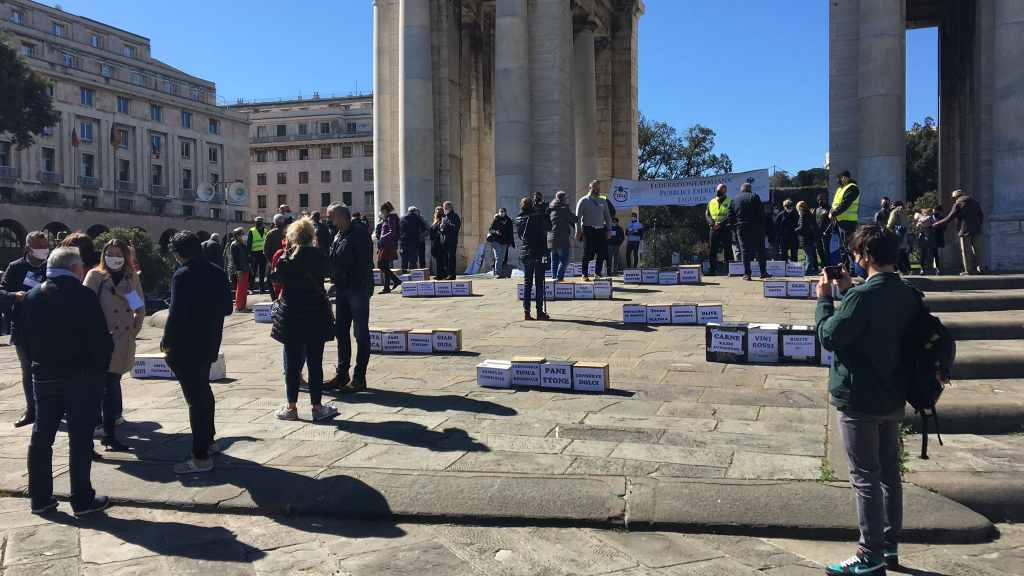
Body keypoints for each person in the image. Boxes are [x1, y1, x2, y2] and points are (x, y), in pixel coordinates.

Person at [815, 225, 919, 576]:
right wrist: (849, 290)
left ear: (867, 256)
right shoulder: (907, 293)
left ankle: (868, 554)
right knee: (890, 473)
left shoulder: (862, 298)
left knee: (865, 476)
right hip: (893, 395)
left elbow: (830, 336)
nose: (855, 259)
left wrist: (824, 300)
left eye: (857, 254)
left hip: (859, 397)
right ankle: (888, 545)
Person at [21, 247, 113, 517]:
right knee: (80, 438)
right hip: (81, 377)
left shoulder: (32, 295)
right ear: (75, 268)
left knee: (42, 436)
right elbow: (100, 339)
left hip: (44, 376)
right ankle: (82, 499)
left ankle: (40, 497)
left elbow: (23, 338)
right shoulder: (83, 295)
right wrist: (100, 371)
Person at [161, 231, 233, 474]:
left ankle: (200, 455)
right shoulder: (217, 272)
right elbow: (228, 308)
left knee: (195, 399)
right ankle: (209, 441)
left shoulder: (182, 275)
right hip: (209, 341)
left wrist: (167, 341)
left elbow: (175, 313)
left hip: (186, 345)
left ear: (178, 253)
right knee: (204, 392)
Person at [270, 219, 339, 422]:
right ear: (312, 236)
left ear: (292, 237)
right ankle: (317, 407)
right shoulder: (319, 256)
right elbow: (330, 272)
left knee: (292, 364)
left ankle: (291, 407)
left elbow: (275, 278)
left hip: (292, 315)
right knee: (315, 363)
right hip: (315, 314)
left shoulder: (286, 259)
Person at [83, 239, 143, 453]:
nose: (113, 258)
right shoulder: (95, 276)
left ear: (125, 257)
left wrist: (134, 330)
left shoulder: (130, 277)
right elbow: (84, 305)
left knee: (111, 388)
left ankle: (109, 434)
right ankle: (89, 439)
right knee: (96, 391)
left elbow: (138, 307)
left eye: (118, 254)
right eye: (110, 253)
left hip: (122, 340)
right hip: (100, 340)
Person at [1, 231, 49, 428]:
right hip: (23, 327)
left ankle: (51, 407)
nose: (44, 250)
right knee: (28, 370)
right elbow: (2, 292)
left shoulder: (50, 266)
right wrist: (15, 295)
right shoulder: (16, 267)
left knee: (50, 368)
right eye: (39, 247)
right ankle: (32, 410)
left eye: (45, 246)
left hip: (48, 326)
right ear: (28, 248)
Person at [325, 204, 373, 392]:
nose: (329, 220)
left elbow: (363, 263)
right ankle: (342, 374)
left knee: (360, 334)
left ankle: (359, 378)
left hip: (357, 289)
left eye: (331, 217)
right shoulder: (338, 234)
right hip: (343, 289)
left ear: (340, 216)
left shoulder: (359, 233)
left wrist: (352, 282)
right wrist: (336, 282)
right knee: (341, 331)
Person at [934, 189, 984, 275]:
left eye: (953, 198)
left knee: (966, 251)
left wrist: (937, 224)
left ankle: (968, 270)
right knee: (978, 250)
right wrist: (978, 225)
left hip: (964, 230)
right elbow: (981, 216)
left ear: (955, 197)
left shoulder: (958, 204)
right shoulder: (975, 202)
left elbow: (949, 218)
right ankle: (981, 268)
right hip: (976, 229)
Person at [516, 197, 550, 321]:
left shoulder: (519, 218)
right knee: (539, 283)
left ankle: (526, 312)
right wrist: (544, 212)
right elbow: (548, 228)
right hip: (538, 253)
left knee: (527, 284)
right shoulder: (538, 217)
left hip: (526, 254)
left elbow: (521, 236)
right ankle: (539, 312)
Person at [728, 182, 770, 281]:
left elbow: (730, 216)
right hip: (756, 227)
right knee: (760, 250)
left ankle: (747, 274)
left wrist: (734, 228)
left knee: (745, 250)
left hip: (741, 227)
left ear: (741, 189)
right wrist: (763, 227)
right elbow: (761, 213)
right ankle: (763, 272)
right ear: (750, 189)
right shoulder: (754, 196)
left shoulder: (734, 199)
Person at [575, 180, 613, 280]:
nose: (597, 189)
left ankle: (597, 273)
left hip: (600, 230)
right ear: (590, 188)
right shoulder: (583, 200)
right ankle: (584, 274)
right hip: (588, 229)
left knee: (602, 252)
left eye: (598, 187)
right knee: (587, 252)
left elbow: (608, 217)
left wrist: (609, 230)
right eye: (595, 187)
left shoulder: (603, 201)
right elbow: (577, 218)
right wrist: (578, 231)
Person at [828, 170, 861, 268]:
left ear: (845, 178)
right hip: (839, 221)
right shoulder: (840, 189)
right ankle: (846, 268)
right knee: (843, 247)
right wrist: (831, 211)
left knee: (849, 246)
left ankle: (853, 269)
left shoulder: (852, 188)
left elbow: (845, 203)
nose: (838, 180)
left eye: (840, 178)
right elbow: (835, 204)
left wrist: (833, 213)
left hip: (848, 221)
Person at [705, 184, 734, 276]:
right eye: (717, 189)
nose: (718, 191)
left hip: (725, 228)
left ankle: (730, 270)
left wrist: (721, 224)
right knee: (712, 250)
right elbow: (707, 214)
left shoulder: (730, 201)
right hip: (713, 228)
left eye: (721, 190)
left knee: (728, 249)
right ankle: (712, 270)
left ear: (725, 190)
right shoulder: (711, 201)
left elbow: (731, 215)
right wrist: (712, 224)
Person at [547, 191, 576, 281]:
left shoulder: (551, 208)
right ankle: (559, 278)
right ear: (563, 199)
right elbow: (574, 219)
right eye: (566, 198)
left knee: (554, 261)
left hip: (551, 239)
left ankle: (554, 279)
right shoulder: (564, 209)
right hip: (562, 239)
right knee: (564, 260)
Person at [375, 202, 402, 293]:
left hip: (388, 245)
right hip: (385, 245)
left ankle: (396, 280)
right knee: (385, 266)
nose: (381, 213)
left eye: (381, 211)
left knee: (381, 265)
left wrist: (383, 237)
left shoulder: (391, 218)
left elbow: (392, 232)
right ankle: (387, 287)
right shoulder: (386, 219)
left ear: (385, 210)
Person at [488, 207, 515, 278]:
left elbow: (510, 232)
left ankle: (499, 272)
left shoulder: (508, 220)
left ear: (505, 212)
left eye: (503, 212)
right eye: (500, 212)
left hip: (504, 241)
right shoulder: (496, 219)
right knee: (498, 257)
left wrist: (511, 242)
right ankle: (498, 273)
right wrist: (496, 232)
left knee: (502, 258)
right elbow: (490, 230)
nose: (501, 213)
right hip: (496, 241)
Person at [795, 200, 820, 276]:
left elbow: (802, 227)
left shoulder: (803, 215)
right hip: (811, 237)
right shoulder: (809, 214)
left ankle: (808, 271)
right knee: (809, 255)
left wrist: (794, 230)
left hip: (805, 238)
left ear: (799, 207)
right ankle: (811, 269)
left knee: (809, 256)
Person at [228, 227, 251, 311]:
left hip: (245, 269)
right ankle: (239, 307)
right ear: (237, 236)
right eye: (242, 234)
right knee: (240, 288)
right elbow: (235, 259)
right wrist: (237, 270)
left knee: (244, 289)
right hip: (240, 270)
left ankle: (243, 306)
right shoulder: (235, 245)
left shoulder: (242, 245)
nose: (244, 236)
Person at [885, 201, 910, 274]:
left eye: (893, 205)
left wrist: (886, 229)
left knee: (896, 252)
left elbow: (890, 223)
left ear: (895, 206)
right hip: (904, 233)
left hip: (896, 233)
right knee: (903, 252)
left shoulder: (894, 212)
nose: (891, 206)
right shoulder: (904, 212)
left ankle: (901, 269)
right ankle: (908, 268)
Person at [439, 201, 461, 280]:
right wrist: (441, 227)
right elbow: (443, 230)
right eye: (444, 208)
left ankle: (452, 274)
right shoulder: (445, 217)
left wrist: (446, 224)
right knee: (445, 258)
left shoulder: (455, 216)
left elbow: (456, 228)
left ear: (450, 208)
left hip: (452, 240)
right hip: (445, 241)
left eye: (446, 208)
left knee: (451, 258)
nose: (444, 209)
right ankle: (446, 273)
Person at [400, 206, 425, 271]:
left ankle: (404, 274)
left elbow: (398, 230)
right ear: (414, 211)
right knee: (413, 261)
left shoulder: (402, 218)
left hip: (403, 242)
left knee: (404, 261)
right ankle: (412, 275)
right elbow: (423, 228)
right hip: (414, 242)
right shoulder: (417, 218)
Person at [247, 217, 268, 294]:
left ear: (262, 222)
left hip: (263, 254)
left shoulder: (265, 231)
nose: (259, 223)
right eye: (257, 222)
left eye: (260, 221)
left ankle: (261, 289)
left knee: (262, 272)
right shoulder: (252, 231)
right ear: (255, 223)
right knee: (253, 272)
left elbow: (267, 242)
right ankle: (251, 288)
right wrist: (249, 254)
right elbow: (249, 243)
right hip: (254, 254)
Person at [914, 208, 937, 275]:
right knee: (924, 253)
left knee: (929, 253)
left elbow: (934, 224)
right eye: (925, 212)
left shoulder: (928, 218)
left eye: (926, 212)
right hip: (924, 237)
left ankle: (927, 268)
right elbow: (917, 225)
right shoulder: (923, 218)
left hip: (928, 237)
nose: (925, 213)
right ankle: (923, 268)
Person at [814, 192, 832, 267]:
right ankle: (823, 265)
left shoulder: (829, 209)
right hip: (818, 233)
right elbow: (814, 221)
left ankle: (828, 266)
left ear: (825, 200)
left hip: (826, 234)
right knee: (819, 250)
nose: (820, 201)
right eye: (819, 200)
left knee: (826, 250)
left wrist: (826, 231)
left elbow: (832, 222)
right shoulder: (817, 209)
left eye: (822, 200)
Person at [429, 206, 446, 279]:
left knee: (440, 260)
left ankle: (440, 275)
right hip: (435, 243)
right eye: (437, 210)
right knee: (438, 260)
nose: (438, 212)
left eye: (439, 210)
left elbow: (441, 231)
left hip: (440, 244)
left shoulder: (443, 220)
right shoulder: (435, 221)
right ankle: (441, 274)